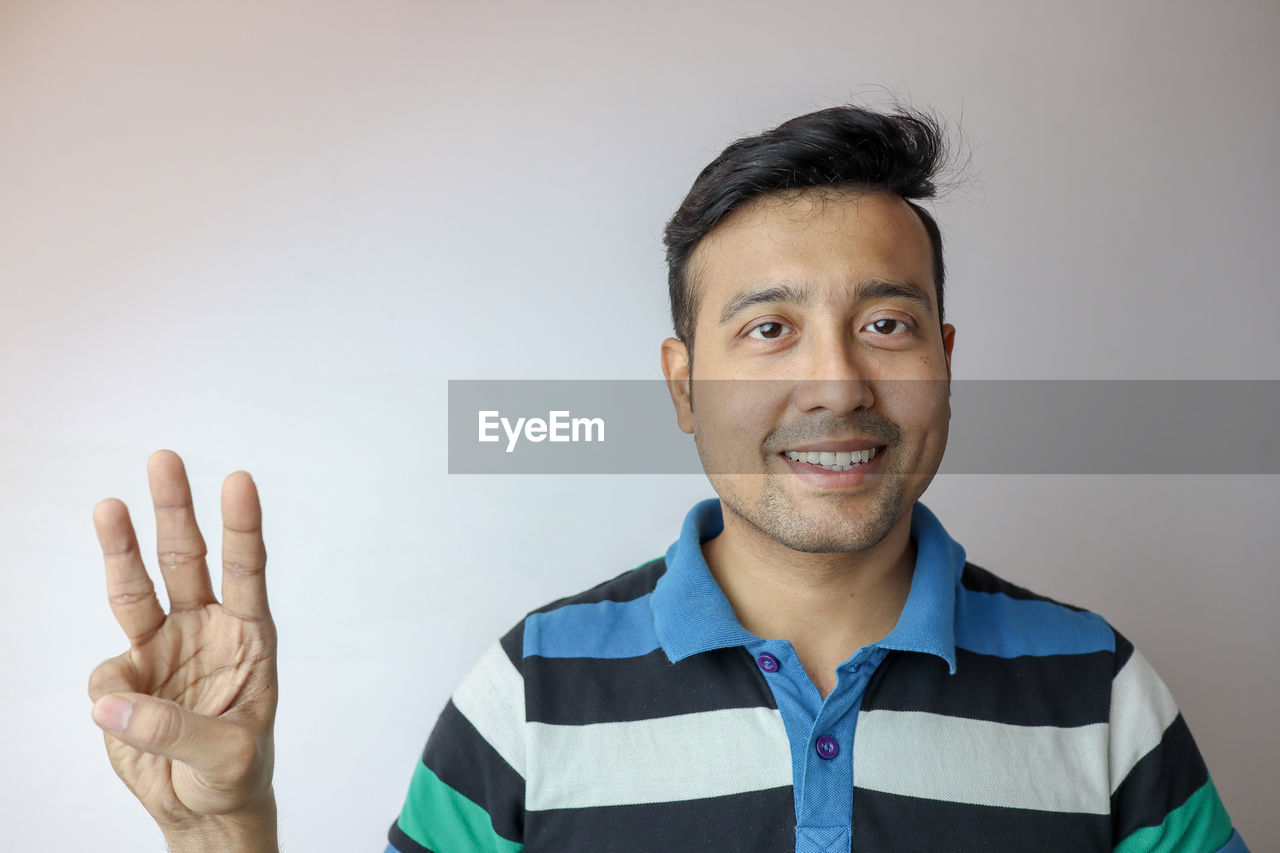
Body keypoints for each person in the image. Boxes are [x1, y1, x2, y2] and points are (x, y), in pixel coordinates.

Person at [88, 105, 1250, 852]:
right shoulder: (526, 697)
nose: (836, 383)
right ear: (681, 385)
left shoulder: (1103, 696)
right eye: (767, 330)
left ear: (944, 363)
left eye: (886, 323)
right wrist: (227, 834)